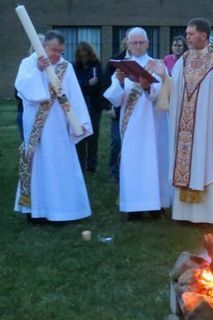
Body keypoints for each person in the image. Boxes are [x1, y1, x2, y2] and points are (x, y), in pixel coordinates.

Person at [151, 18, 213, 224]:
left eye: (190, 33)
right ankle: (186, 214)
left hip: (210, 126)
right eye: (186, 34)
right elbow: (175, 88)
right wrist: (164, 78)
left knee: (212, 161)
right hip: (185, 129)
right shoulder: (184, 59)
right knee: (188, 162)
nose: (186, 37)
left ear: (203, 35)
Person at [14, 30, 93, 223]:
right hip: (36, 125)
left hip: (59, 126)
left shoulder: (65, 66)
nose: (57, 54)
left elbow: (74, 94)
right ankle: (36, 211)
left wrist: (80, 122)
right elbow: (22, 88)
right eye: (53, 50)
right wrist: (39, 70)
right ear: (43, 46)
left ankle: (64, 211)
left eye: (60, 51)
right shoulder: (29, 63)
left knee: (61, 164)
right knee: (37, 165)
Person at [104, 27, 171, 221]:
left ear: (148, 43)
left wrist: (148, 87)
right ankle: (134, 207)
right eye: (134, 42)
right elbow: (115, 99)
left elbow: (163, 95)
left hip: (154, 123)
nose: (138, 45)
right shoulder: (122, 67)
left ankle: (156, 206)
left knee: (155, 161)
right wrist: (118, 82)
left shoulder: (157, 65)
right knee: (133, 163)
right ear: (128, 44)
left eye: (142, 42)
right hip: (132, 123)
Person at [104, 34, 132, 182]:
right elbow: (106, 84)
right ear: (126, 42)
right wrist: (108, 106)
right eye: (131, 40)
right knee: (116, 140)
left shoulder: (148, 62)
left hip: (136, 108)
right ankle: (114, 170)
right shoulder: (115, 61)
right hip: (118, 107)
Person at [73, 41, 103, 174]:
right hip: (79, 105)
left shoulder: (96, 66)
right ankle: (80, 164)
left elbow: (102, 84)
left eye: (86, 54)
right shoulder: (74, 67)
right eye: (81, 55)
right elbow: (73, 85)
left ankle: (91, 165)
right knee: (80, 135)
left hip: (94, 104)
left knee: (93, 135)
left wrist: (94, 84)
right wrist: (87, 83)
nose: (83, 57)